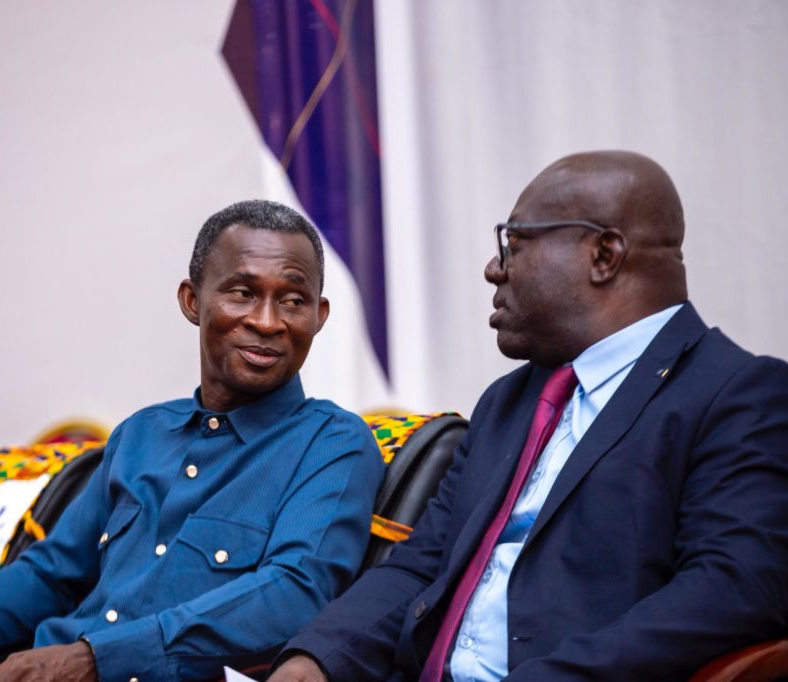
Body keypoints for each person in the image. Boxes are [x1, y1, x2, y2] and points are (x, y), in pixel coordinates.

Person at [270, 151, 788, 681]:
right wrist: (313, 659)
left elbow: (733, 590)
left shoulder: (738, 395)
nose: (494, 269)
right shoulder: (508, 401)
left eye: (514, 244)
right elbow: (422, 566)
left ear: (603, 255)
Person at [0, 200, 385, 682]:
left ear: (319, 316)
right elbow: (52, 573)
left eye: (293, 301)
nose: (267, 321)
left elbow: (294, 592)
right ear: (192, 301)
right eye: (242, 293)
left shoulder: (332, 443)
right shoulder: (141, 434)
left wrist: (95, 659)